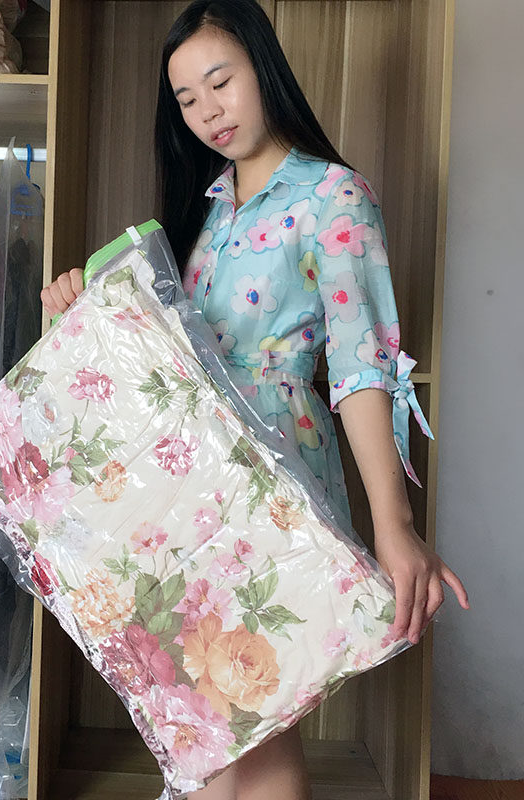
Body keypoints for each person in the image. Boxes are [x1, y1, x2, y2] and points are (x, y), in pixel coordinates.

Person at [41, 1, 470, 797]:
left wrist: (395, 525)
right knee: (219, 721)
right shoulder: (206, 208)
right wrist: (80, 307)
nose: (208, 110)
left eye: (220, 81)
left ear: (263, 69)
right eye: (187, 99)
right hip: (195, 481)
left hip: (276, 478)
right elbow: (166, 356)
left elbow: (362, 367)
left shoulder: (334, 195)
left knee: (253, 719)